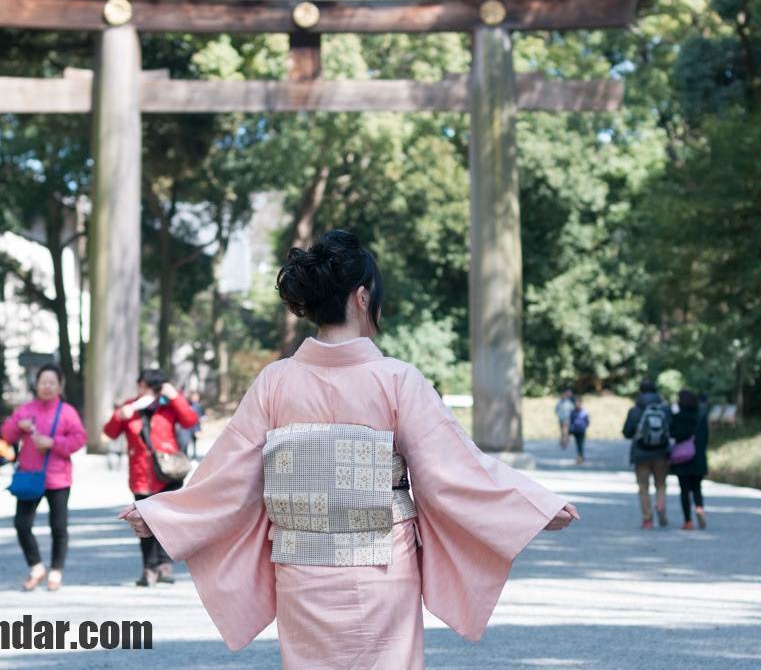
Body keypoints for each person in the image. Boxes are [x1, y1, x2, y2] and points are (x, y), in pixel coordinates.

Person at [118, 230, 579, 668]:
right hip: (382, 570)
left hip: (300, 568)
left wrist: (164, 515)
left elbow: (231, 477)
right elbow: (452, 472)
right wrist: (529, 509)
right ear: (362, 296)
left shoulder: (275, 381)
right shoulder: (398, 379)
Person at [103, 368, 200, 586]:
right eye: (140, 385)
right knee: (143, 521)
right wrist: (118, 416)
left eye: (145, 387)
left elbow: (190, 421)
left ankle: (165, 565)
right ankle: (149, 568)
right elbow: (110, 432)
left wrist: (175, 396)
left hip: (168, 473)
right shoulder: (130, 407)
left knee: (166, 522)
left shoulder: (169, 406)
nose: (140, 390)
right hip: (141, 476)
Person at [1, 363, 87, 592]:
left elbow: (80, 439)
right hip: (29, 476)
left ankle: (56, 572)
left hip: (58, 479)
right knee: (22, 524)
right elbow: (6, 434)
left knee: (58, 527)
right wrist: (18, 425)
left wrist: (53, 443)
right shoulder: (26, 409)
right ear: (36, 385)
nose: (47, 386)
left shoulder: (67, 412)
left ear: (59, 385)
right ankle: (37, 567)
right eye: (43, 382)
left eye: (52, 382)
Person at [622, 379, 672, 529]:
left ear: (640, 392)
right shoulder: (664, 410)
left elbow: (627, 433)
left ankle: (647, 519)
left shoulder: (634, 410)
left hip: (640, 454)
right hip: (661, 454)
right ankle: (660, 506)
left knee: (643, 487)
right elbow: (671, 429)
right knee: (661, 484)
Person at [670, 389, 709, 530]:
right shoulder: (701, 417)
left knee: (684, 490)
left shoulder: (679, 417)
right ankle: (699, 508)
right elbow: (705, 438)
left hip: (683, 458)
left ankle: (688, 521)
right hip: (698, 457)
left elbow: (675, 434)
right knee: (697, 488)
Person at [176, 389, 205, 458]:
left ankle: (194, 455)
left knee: (194, 442)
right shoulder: (188, 404)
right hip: (188, 428)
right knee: (186, 442)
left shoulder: (200, 406)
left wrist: (199, 429)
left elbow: (202, 417)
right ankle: (185, 456)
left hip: (195, 427)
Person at [569, 397, 589, 464]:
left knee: (581, 444)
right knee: (577, 444)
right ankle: (579, 456)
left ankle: (581, 457)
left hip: (581, 430)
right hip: (575, 431)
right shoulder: (573, 412)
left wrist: (584, 427)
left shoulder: (584, 412)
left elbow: (587, 421)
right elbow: (571, 421)